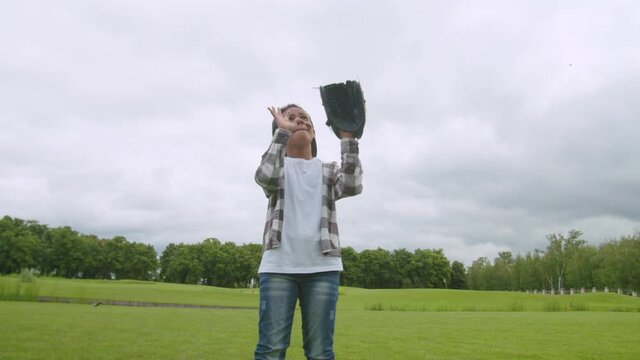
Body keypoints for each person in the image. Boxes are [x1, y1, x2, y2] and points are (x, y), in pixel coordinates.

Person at [254, 104, 363, 360]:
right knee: (271, 349)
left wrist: (348, 138)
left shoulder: (328, 170)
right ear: (279, 130)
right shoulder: (278, 169)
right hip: (278, 267)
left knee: (320, 352)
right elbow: (264, 176)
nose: (299, 121)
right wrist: (282, 133)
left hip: (323, 268)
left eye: (304, 118)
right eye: (290, 118)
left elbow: (353, 184)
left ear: (313, 132)